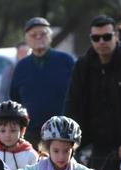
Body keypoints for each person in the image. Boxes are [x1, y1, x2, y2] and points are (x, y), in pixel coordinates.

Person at [64, 15, 121, 170]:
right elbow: (72, 103)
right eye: (96, 38)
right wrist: (68, 139)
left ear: (116, 36)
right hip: (97, 142)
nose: (101, 42)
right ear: (91, 39)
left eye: (107, 37)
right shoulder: (83, 65)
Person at [9, 17, 75, 146]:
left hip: (63, 131)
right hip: (31, 133)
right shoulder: (21, 66)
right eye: (33, 35)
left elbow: (78, 93)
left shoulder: (66, 61)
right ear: (27, 39)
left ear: (50, 36)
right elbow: (15, 98)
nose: (38, 37)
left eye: (43, 34)